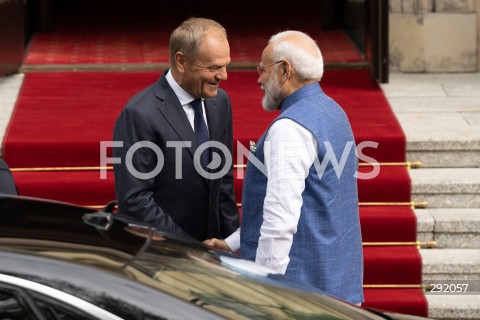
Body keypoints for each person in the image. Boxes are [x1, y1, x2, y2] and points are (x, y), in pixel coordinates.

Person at [204, 30, 364, 305]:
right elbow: (316, 202)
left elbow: (280, 222)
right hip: (339, 287)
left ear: (284, 70)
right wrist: (232, 244)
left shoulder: (289, 128)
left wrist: (262, 290)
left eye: (262, 70)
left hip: (300, 296)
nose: (259, 79)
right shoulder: (333, 111)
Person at [112, 18, 239, 242]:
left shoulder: (221, 102)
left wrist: (233, 246)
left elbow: (223, 180)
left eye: (226, 65)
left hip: (214, 254)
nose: (224, 75)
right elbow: (136, 199)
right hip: (165, 256)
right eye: (213, 67)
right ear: (181, 61)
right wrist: (189, 249)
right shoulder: (140, 114)